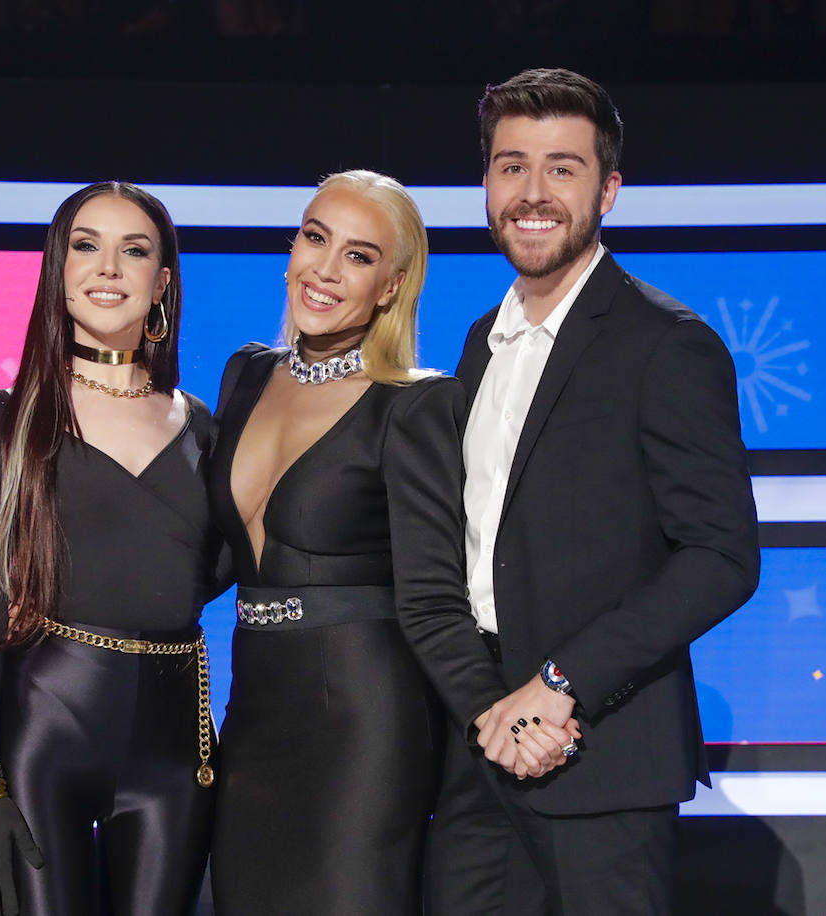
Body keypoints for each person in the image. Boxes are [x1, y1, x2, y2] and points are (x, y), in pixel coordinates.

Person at [424, 68, 761, 915]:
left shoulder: (666, 344)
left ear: (608, 190)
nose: (532, 193)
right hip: (479, 748)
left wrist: (559, 683)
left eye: (562, 168)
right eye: (511, 166)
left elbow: (721, 556)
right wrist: (491, 706)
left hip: (601, 754)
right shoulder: (481, 343)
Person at [207, 169, 582, 915]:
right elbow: (214, 555)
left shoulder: (416, 404)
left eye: (358, 255)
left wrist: (500, 714)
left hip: (364, 722)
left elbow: (435, 593)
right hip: (252, 712)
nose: (324, 268)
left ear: (390, 286)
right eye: (315, 238)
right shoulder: (246, 374)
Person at [0, 181, 215, 916]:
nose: (108, 268)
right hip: (47, 743)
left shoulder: (203, 428)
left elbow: (217, 569)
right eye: (86, 246)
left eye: (134, 251)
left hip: (174, 751)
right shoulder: (3, 425)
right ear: (58, 269)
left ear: (162, 281)